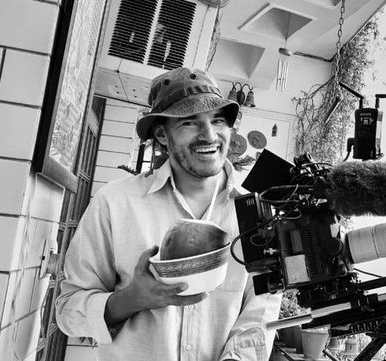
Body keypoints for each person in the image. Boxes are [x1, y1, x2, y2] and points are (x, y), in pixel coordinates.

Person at [55, 67, 281, 360]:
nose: (209, 135)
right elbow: (68, 311)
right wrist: (130, 300)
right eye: (189, 122)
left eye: (218, 120)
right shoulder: (115, 202)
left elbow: (260, 315)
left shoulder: (258, 214)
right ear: (162, 134)